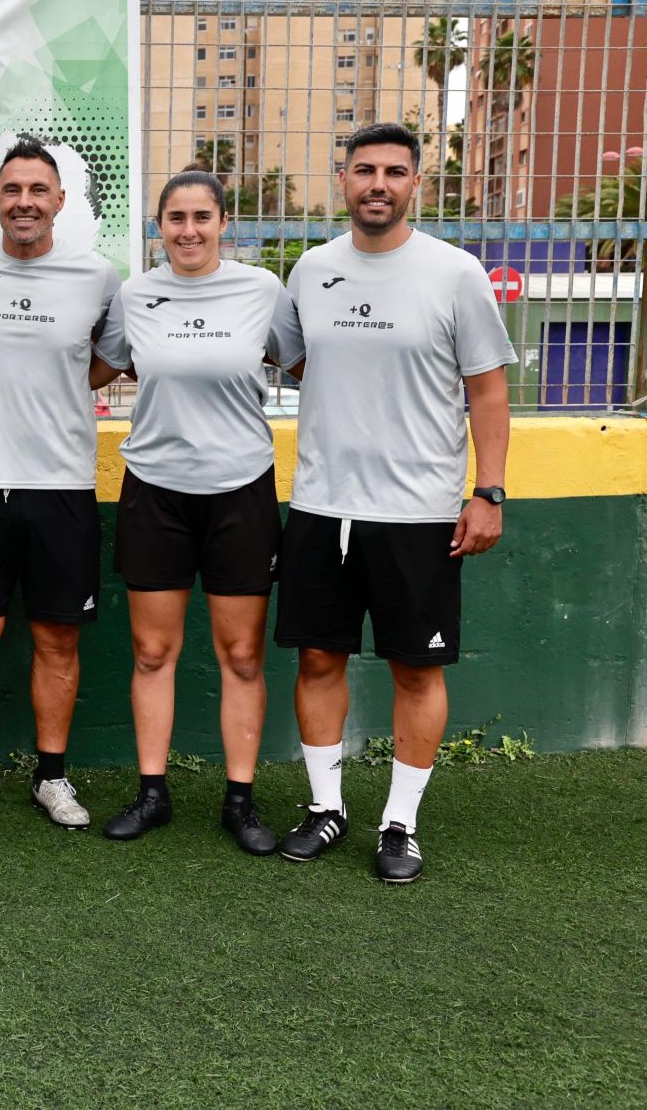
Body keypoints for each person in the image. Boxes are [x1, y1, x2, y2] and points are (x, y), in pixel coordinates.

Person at [272, 122, 514, 883]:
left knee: (416, 670)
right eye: (365, 170)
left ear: (416, 183)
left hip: (420, 513)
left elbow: (488, 390)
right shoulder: (312, 270)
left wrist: (489, 492)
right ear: (343, 179)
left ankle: (399, 824)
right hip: (322, 505)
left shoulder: (455, 273)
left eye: (395, 172)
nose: (378, 184)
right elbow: (299, 358)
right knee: (318, 658)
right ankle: (326, 808)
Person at [87, 171, 304, 853]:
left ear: (223, 223)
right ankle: (153, 793)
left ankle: (240, 801)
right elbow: (95, 367)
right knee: (153, 652)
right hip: (155, 490)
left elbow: (311, 366)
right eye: (175, 218)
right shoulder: (135, 295)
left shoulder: (262, 291)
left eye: (201, 217)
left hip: (241, 490)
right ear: (159, 227)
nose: (188, 231)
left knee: (241, 654)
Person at [0, 139, 122, 829]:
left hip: (63, 486)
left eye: (37, 190)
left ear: (60, 201)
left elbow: (109, 360)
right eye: (11, 190)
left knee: (57, 638)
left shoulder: (97, 277)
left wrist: (60, 385)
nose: (24, 202)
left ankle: (52, 776)